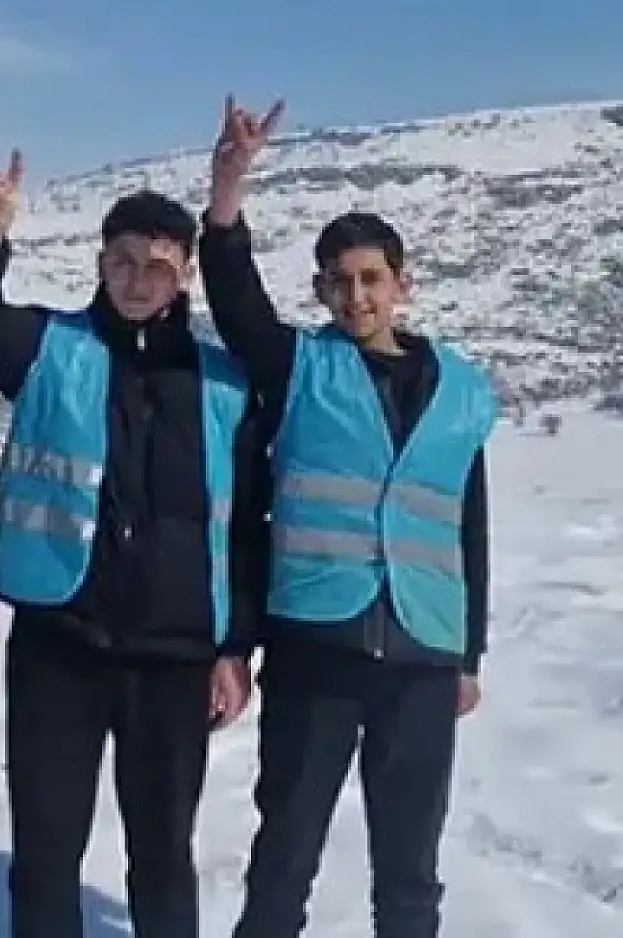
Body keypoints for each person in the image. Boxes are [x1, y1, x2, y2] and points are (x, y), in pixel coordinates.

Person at [0, 151, 270, 938]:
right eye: (122, 262)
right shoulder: (51, 350)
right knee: (47, 855)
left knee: (161, 857)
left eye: (158, 264)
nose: (139, 279)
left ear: (184, 273)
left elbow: (246, 525)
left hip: (175, 655)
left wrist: (236, 649)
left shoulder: (225, 384)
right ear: (100, 264)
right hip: (63, 642)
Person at [199, 96, 497, 938]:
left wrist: (467, 652)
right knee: (286, 851)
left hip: (422, 656)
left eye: (372, 279)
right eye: (340, 281)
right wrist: (228, 194)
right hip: (316, 646)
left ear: (403, 285)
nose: (357, 295)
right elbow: (235, 300)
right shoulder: (298, 367)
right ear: (322, 290)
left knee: (410, 870)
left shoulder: (461, 393)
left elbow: (466, 526)